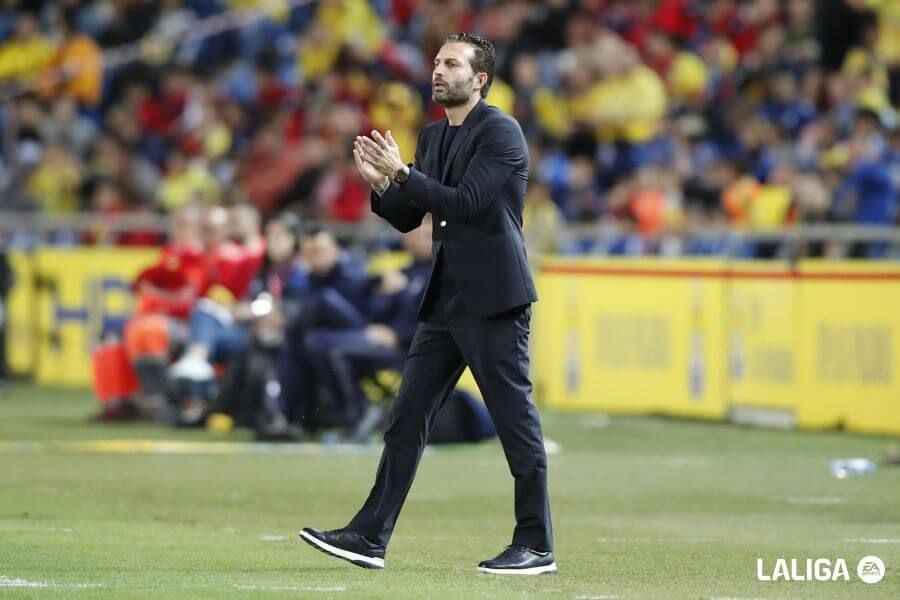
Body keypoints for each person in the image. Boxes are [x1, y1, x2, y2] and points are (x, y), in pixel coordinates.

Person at [299, 33, 556, 575]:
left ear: (479, 79)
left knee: (515, 422)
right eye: (437, 61)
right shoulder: (434, 135)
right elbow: (412, 215)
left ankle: (536, 545)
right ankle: (370, 536)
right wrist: (382, 187)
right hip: (446, 298)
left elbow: (464, 204)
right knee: (406, 417)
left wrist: (402, 175)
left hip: (494, 299)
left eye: (452, 63)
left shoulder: (502, 131)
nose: (438, 70)